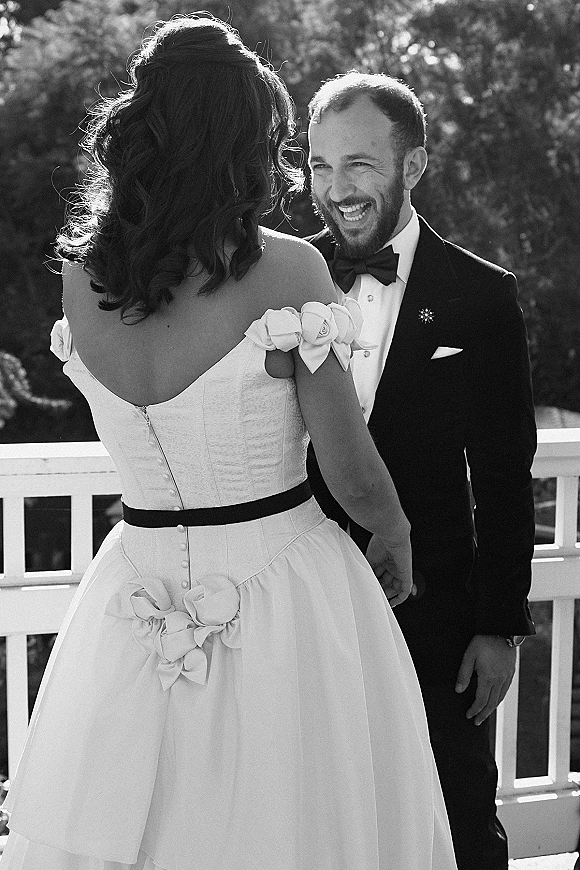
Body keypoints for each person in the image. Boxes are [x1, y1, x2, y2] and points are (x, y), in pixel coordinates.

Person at [0, 17, 458, 870]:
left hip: (130, 589)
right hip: (278, 588)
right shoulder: (287, 271)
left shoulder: (85, 273)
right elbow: (351, 470)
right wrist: (393, 530)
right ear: (244, 142)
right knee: (297, 821)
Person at [305, 71, 537, 870]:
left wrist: (499, 625)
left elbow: (507, 477)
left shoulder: (480, 296)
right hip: (307, 610)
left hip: (436, 617)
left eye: (361, 164)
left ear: (414, 165)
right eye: (320, 165)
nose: (338, 189)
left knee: (458, 818)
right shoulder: (276, 281)